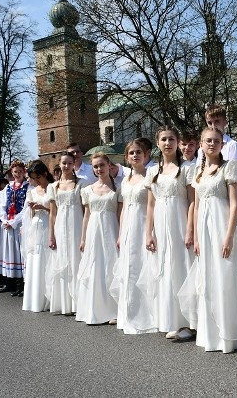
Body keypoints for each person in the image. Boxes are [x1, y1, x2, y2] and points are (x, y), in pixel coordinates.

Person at [178, 126, 237, 353]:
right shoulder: (198, 173)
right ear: (201, 143)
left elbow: (234, 204)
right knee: (210, 277)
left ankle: (235, 334)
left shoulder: (230, 167)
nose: (212, 144)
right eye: (207, 140)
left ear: (222, 144)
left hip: (223, 227)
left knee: (228, 274)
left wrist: (228, 237)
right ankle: (213, 333)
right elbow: (195, 206)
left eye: (216, 140)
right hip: (204, 232)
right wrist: (196, 236)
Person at [145, 126, 196, 339]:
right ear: (157, 143)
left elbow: (193, 201)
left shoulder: (187, 169)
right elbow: (150, 205)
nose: (168, 143)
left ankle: (189, 322)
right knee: (166, 269)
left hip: (180, 222)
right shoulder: (152, 172)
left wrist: (190, 229)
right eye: (164, 139)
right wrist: (149, 232)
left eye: (172, 139)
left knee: (183, 267)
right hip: (161, 225)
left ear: (177, 142)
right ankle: (171, 319)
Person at [110, 139, 155, 334]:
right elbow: (123, 208)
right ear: (127, 158)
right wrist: (120, 233)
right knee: (129, 268)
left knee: (144, 267)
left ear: (146, 155)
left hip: (144, 224)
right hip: (128, 226)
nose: (135, 155)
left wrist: (150, 232)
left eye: (139, 152)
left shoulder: (151, 176)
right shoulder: (125, 180)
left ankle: (148, 314)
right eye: (131, 153)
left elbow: (154, 205)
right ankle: (128, 312)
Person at [75, 152, 122, 325]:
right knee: (96, 267)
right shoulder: (87, 190)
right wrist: (83, 239)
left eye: (102, 165)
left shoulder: (119, 187)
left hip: (111, 229)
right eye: (95, 166)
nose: (99, 169)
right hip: (94, 231)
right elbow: (86, 215)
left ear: (109, 165)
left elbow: (120, 214)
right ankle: (95, 309)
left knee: (111, 267)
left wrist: (121, 234)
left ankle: (114, 310)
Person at [48, 152, 85, 314]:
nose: (67, 166)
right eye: (64, 163)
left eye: (70, 163)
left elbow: (85, 210)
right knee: (63, 260)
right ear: (60, 164)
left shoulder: (81, 184)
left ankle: (79, 302)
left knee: (76, 259)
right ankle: (65, 303)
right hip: (61, 226)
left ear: (73, 164)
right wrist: (51, 235)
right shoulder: (53, 187)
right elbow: (52, 213)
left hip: (76, 224)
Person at [21, 161, 53, 312]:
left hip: (48, 224)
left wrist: (43, 207)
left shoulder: (52, 188)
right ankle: (34, 298)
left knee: (46, 260)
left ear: (45, 174)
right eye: (33, 178)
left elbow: (56, 211)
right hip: (35, 225)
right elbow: (29, 214)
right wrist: (32, 210)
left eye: (38, 177)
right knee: (35, 259)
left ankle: (48, 298)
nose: (36, 181)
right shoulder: (32, 191)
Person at [0, 161, 29, 295]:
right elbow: (1, 206)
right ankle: (9, 282)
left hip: (21, 223)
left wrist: (14, 221)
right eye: (15, 172)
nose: (18, 174)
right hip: (8, 223)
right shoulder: (7, 188)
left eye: (20, 171)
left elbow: (26, 208)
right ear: (12, 173)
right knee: (9, 253)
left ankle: (21, 284)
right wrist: (5, 220)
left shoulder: (28, 187)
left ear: (24, 172)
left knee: (20, 252)